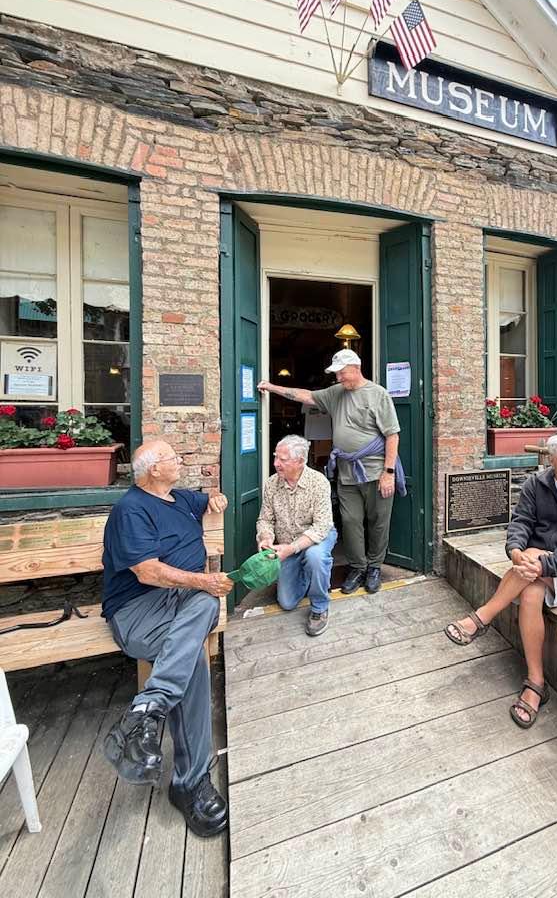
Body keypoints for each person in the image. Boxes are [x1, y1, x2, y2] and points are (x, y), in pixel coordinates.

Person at [101, 440, 233, 838]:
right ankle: (190, 783)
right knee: (192, 659)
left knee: (205, 605)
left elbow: (212, 498)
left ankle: (148, 707)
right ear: (153, 470)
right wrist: (203, 580)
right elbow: (147, 572)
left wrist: (217, 499)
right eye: (173, 458)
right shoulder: (131, 510)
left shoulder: (180, 498)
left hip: (184, 604)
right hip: (139, 610)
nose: (180, 461)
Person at [445, 433, 557, 728]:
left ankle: (483, 617)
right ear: (552, 460)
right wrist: (515, 551)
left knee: (533, 563)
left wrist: (541, 563)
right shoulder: (536, 484)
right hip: (533, 567)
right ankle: (536, 681)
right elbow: (521, 521)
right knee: (531, 593)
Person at [258, 349, 403, 596]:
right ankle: (357, 567)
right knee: (350, 522)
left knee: (378, 521)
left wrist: (388, 472)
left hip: (375, 471)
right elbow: (306, 396)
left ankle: (374, 567)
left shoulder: (378, 394)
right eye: (337, 374)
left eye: (342, 373)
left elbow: (392, 435)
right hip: (346, 473)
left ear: (356, 368)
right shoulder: (336, 392)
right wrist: (272, 387)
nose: (338, 378)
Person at [256, 434, 337, 636]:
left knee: (315, 557)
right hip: (287, 544)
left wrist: (292, 548)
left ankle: (319, 607)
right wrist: (265, 537)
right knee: (287, 602)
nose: (276, 463)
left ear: (300, 461)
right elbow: (265, 519)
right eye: (275, 457)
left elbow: (321, 526)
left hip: (316, 538)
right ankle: (310, 574)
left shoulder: (318, 482)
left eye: (282, 460)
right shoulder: (271, 484)